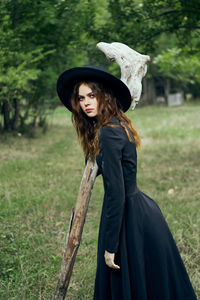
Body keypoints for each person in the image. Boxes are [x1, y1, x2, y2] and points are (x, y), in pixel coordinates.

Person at [57, 66, 197, 300]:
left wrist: (111, 246)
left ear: (105, 96)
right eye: (81, 98)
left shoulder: (108, 133)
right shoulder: (116, 125)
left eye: (92, 95)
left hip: (128, 217)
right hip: (141, 210)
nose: (85, 103)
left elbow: (115, 194)